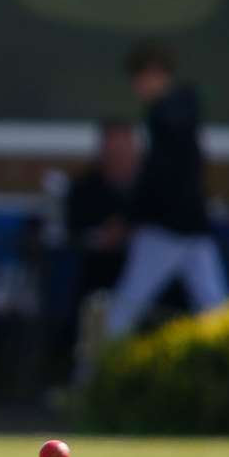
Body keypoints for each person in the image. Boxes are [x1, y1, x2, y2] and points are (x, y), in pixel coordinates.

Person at [103, 42, 229, 339]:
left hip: (167, 228)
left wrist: (129, 217)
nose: (138, 88)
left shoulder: (163, 117)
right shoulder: (183, 111)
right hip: (192, 223)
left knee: (124, 308)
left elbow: (157, 177)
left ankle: (89, 379)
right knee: (215, 308)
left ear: (154, 74)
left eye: (139, 79)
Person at [64, 119, 139, 374]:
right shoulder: (85, 187)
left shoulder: (148, 188)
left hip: (139, 272)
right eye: (112, 149)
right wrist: (101, 236)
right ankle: (88, 375)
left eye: (124, 148)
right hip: (99, 274)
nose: (118, 156)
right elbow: (74, 230)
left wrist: (128, 232)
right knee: (94, 307)